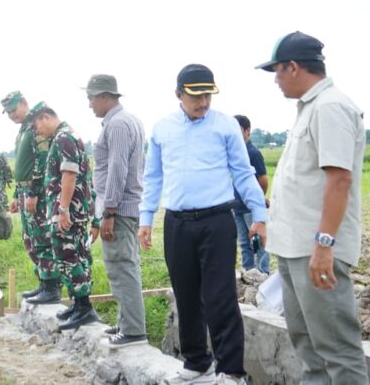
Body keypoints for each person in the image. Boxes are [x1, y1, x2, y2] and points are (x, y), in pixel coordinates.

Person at [138, 64, 267, 385]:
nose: (204, 102)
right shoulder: (162, 129)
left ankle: (231, 371)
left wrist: (260, 216)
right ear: (178, 94)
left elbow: (243, 172)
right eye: (196, 96)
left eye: (208, 95)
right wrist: (145, 218)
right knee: (186, 293)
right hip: (177, 223)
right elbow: (153, 177)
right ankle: (197, 363)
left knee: (220, 295)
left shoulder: (224, 127)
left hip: (217, 221)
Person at [257, 31, 368, 383]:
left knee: (337, 348)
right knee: (307, 345)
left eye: (276, 71)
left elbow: (339, 181)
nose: (275, 80)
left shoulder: (331, 106)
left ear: (293, 66)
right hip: (294, 249)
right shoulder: (310, 108)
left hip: (316, 250)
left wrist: (324, 245)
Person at [83, 74, 148, 348]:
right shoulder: (124, 121)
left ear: (104, 96)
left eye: (91, 98)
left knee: (122, 267)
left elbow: (117, 169)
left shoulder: (119, 124)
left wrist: (108, 212)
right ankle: (126, 322)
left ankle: (133, 331)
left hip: (119, 209)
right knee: (121, 267)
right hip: (121, 208)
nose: (89, 105)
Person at [29, 102, 98, 329]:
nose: (37, 130)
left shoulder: (63, 138)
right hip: (75, 209)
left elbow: (69, 174)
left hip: (69, 211)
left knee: (67, 256)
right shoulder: (66, 136)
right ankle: (79, 304)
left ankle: (84, 306)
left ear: (46, 117)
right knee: (76, 255)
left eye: (36, 124)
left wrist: (63, 209)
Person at [0, 91, 58, 303]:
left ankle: (51, 287)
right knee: (31, 239)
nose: (12, 115)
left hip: (38, 193)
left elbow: (42, 160)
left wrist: (33, 192)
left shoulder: (37, 124)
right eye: (8, 113)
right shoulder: (24, 128)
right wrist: (17, 194)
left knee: (42, 239)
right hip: (25, 191)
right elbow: (24, 164)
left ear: (24, 103)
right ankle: (43, 282)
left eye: (14, 110)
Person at [232, 115, 270, 274]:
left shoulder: (252, 153)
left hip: (250, 207)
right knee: (244, 241)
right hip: (237, 205)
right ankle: (248, 271)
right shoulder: (234, 151)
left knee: (258, 240)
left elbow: (263, 180)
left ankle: (262, 271)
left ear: (247, 131)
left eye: (238, 130)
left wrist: (257, 202)